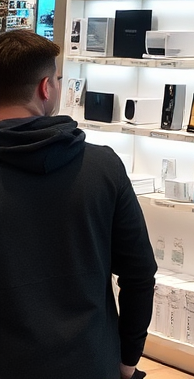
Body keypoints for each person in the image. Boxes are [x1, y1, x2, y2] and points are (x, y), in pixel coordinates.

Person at [0, 28, 156, 379]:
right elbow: (139, 273)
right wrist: (128, 357)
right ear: (45, 88)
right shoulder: (102, 167)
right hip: (90, 360)